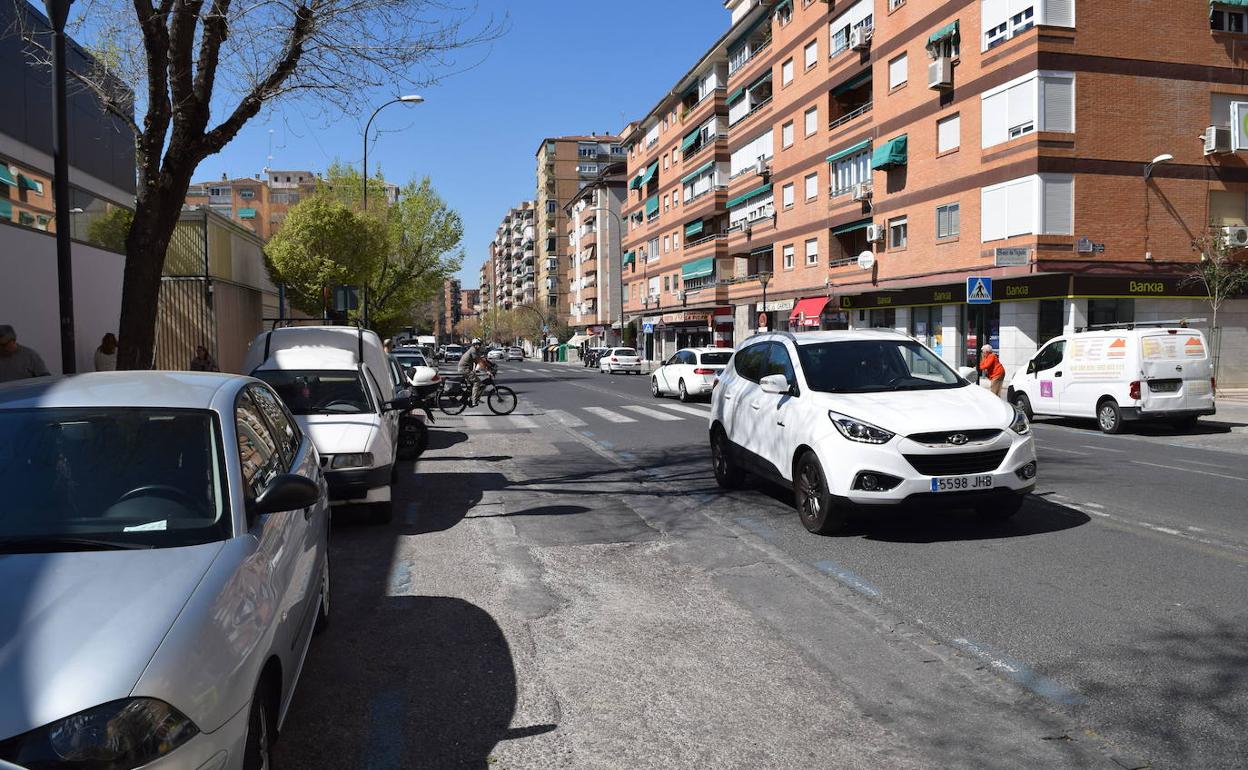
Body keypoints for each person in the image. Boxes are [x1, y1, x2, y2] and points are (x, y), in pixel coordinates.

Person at [457, 338, 487, 407]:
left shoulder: (475, 350)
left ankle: (464, 399)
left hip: (466, 368)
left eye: (480, 344)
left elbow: (480, 360)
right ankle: (474, 401)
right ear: (474, 345)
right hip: (464, 369)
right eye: (478, 344)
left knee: (471, 385)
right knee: (477, 382)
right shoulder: (473, 350)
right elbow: (478, 361)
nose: (479, 346)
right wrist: (487, 370)